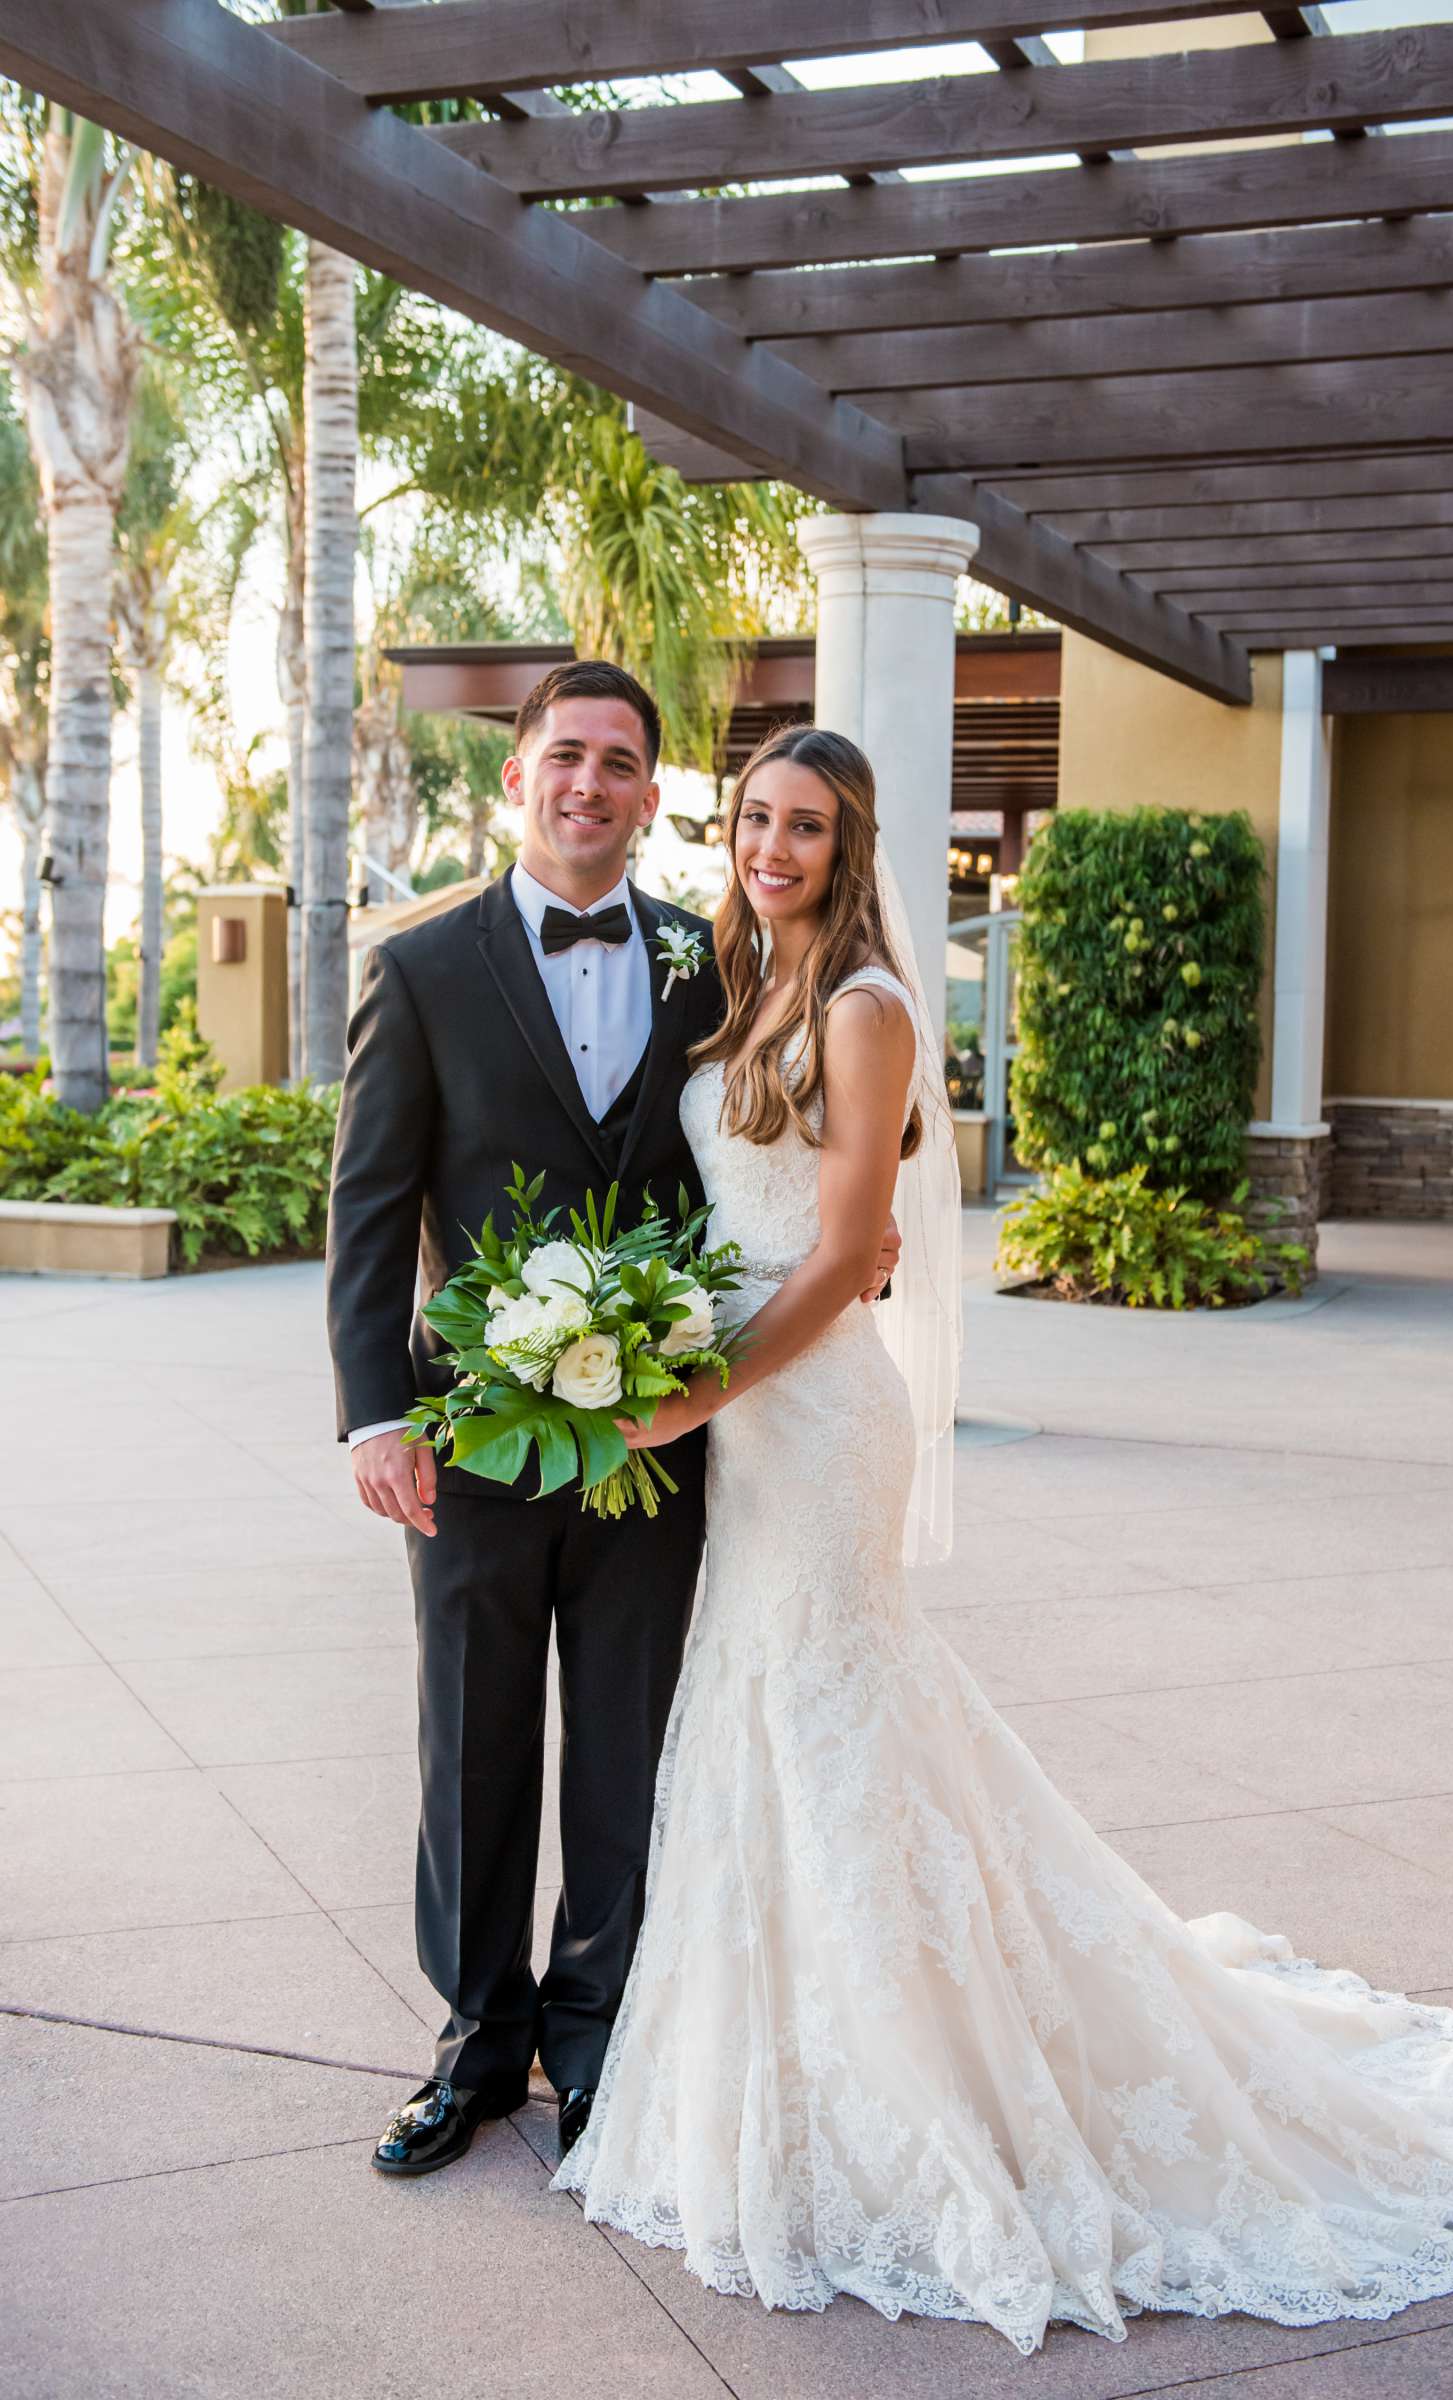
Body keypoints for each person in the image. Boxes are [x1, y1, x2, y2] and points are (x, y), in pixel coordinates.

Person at [551, 723, 1453, 2355]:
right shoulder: (741, 993)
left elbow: (836, 1259)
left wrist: (696, 1393)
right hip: (736, 1415)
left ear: (852, 845)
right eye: (754, 818)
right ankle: (776, 2069)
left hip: (810, 1424)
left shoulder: (872, 1011)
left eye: (806, 827)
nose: (773, 846)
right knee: (760, 1716)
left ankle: (914, 2095)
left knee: (828, 1716)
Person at [325, 660, 903, 2177]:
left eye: (621, 763)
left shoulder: (713, 960)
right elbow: (370, 1211)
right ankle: (473, 2049)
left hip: (669, 1439)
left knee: (635, 1744)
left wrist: (864, 1236)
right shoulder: (421, 966)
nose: (590, 783)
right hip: (475, 1433)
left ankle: (601, 2047)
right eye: (565, 755)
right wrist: (374, 1416)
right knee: (476, 1737)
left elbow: (812, 1131)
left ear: (654, 797)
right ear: (518, 776)